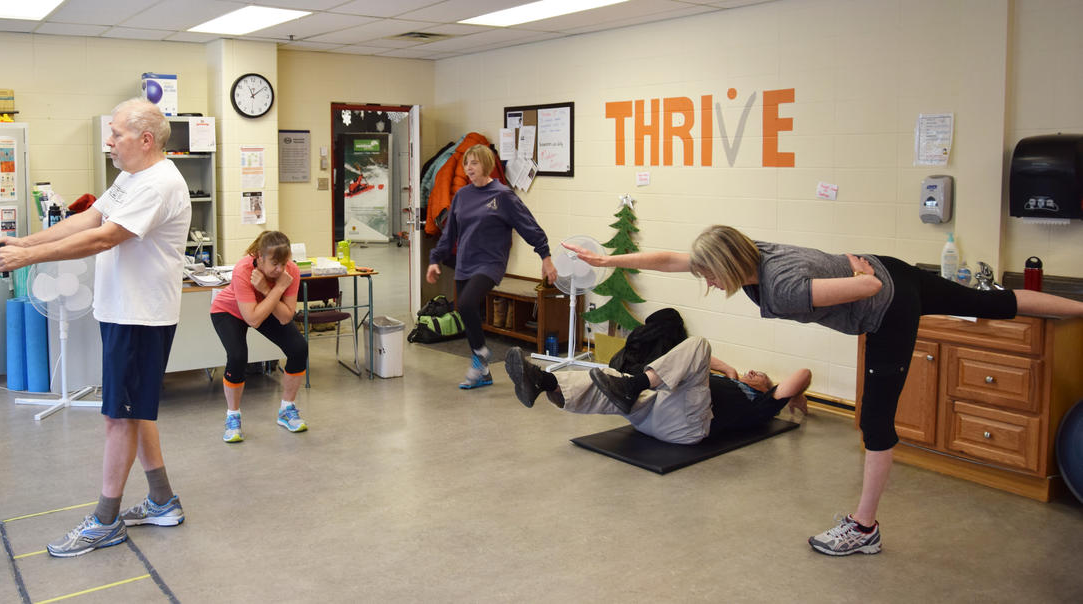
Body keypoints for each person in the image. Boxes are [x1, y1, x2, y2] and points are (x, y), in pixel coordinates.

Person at [563, 224, 1083, 556]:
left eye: (711, 277)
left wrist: (860, 277)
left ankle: (864, 528)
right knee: (993, 303)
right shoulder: (749, 250)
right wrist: (611, 262)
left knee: (875, 424)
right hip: (893, 267)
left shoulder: (785, 288)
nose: (706, 283)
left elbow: (869, 290)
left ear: (729, 265)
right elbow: (673, 259)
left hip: (887, 307)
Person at [0, 98, 191, 557]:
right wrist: (26, 239)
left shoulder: (159, 184)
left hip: (140, 317)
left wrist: (28, 257)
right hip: (122, 312)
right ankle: (162, 501)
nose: (109, 141)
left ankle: (106, 521)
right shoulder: (130, 176)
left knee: (117, 417)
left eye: (116, 134)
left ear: (145, 139)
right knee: (133, 410)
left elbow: (105, 237)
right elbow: (89, 218)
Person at [504, 339, 810, 445]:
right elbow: (695, 363)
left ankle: (631, 386)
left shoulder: (759, 401)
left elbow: (804, 374)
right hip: (657, 415)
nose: (754, 372)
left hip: (689, 428)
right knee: (610, 376)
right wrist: (730, 370)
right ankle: (543, 383)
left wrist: (789, 395)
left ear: (767, 388)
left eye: (761, 376)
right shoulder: (728, 380)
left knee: (699, 345)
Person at [425, 144, 557, 389]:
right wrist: (435, 259)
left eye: (473, 163)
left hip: (490, 262)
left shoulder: (502, 195)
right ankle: (483, 371)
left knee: (465, 303)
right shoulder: (462, 195)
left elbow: (528, 225)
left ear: (486, 164)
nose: (468, 168)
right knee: (465, 310)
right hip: (466, 261)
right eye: (466, 163)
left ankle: (480, 354)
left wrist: (545, 256)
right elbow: (449, 234)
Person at [210, 230, 309, 442]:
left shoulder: (289, 272)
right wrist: (275, 290)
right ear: (260, 258)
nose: (280, 269)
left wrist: (267, 288)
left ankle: (286, 409)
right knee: (237, 356)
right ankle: (232, 417)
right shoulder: (243, 269)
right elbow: (252, 319)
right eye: (275, 263)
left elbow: (285, 317)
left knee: (299, 348)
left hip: (266, 307)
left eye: (284, 262)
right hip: (229, 311)